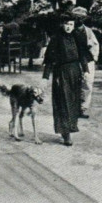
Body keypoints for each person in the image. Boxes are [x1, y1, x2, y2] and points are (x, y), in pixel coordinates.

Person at [42, 13, 88, 146]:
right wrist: (45, 77)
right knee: (63, 102)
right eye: (66, 24)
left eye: (71, 25)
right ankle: (66, 133)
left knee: (73, 102)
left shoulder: (77, 37)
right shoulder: (56, 38)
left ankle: (70, 128)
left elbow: (83, 55)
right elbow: (49, 60)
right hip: (61, 73)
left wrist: (85, 70)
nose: (68, 27)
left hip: (75, 72)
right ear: (62, 24)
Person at [72, 7, 99, 118]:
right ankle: (73, 108)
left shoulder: (88, 31)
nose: (79, 20)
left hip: (87, 60)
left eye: (82, 18)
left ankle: (83, 108)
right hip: (73, 60)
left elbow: (95, 45)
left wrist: (94, 56)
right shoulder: (69, 30)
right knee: (73, 84)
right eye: (77, 17)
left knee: (87, 84)